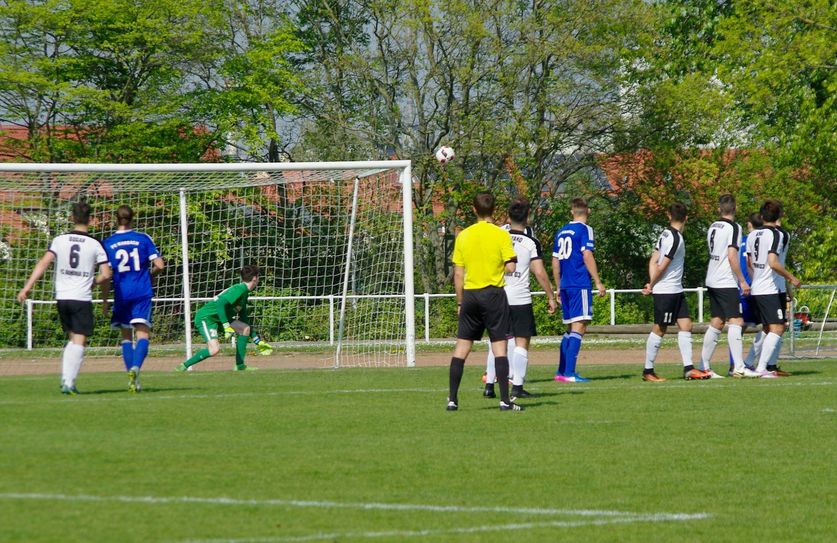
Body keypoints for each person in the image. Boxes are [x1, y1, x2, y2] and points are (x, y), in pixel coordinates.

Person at [17, 202, 112, 395]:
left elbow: (44, 263)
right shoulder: (95, 244)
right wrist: (94, 283)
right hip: (81, 298)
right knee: (80, 340)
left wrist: (27, 287)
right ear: (91, 219)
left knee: (73, 338)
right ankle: (69, 382)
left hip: (62, 297)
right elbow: (107, 274)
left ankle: (66, 380)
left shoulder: (59, 240)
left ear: (72, 218)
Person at [446, 191, 521, 412]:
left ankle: (452, 399)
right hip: (493, 294)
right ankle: (505, 401)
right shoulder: (501, 235)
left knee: (461, 348)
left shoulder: (464, 236)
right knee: (500, 347)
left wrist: (460, 303)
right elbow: (511, 266)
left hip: (470, 295)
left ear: (474, 209)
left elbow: (458, 275)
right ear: (494, 209)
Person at [483, 198, 557, 399]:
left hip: (497, 296)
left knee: (496, 342)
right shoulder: (530, 242)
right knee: (521, 343)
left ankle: (489, 385)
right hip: (520, 299)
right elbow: (540, 272)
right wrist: (551, 296)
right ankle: (517, 386)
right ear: (527, 218)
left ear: (508, 216)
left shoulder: (498, 236)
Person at [641, 202, 710, 382]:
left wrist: (651, 281)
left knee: (686, 325)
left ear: (668, 215)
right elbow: (662, 265)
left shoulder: (664, 234)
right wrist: (652, 284)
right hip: (667, 290)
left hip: (675, 289)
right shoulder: (675, 238)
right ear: (686, 217)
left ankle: (689, 368)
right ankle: (648, 371)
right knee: (660, 328)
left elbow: (653, 260)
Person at [103, 205, 165, 392]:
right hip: (141, 290)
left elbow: (106, 275)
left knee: (126, 336)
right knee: (143, 333)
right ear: (132, 218)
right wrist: (150, 275)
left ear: (116, 218)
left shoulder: (108, 242)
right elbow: (160, 265)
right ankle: (136, 369)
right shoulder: (143, 238)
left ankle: (131, 375)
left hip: (122, 293)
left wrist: (105, 301)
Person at [175, 265, 273, 372]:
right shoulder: (239, 289)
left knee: (245, 328)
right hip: (207, 318)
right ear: (255, 278)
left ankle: (240, 366)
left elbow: (244, 317)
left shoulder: (244, 292)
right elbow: (220, 304)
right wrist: (226, 325)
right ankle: (183, 366)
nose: (259, 279)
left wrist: (257, 341)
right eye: (258, 277)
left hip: (220, 318)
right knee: (214, 350)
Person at [698, 194, 753, 378]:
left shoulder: (713, 226)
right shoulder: (734, 228)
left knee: (717, 321)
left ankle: (704, 365)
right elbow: (731, 256)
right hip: (725, 281)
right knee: (736, 321)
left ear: (719, 208)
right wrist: (742, 280)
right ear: (735, 208)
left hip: (711, 278)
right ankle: (738, 367)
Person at [551, 198, 605, 383]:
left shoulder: (561, 231)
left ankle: (561, 371)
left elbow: (555, 262)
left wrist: (558, 286)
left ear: (571, 211)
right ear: (588, 211)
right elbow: (587, 254)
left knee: (569, 328)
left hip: (565, 284)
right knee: (579, 326)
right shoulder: (585, 230)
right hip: (579, 283)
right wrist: (597, 281)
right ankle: (569, 373)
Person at [746, 200, 801, 378]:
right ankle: (763, 368)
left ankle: (750, 363)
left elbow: (751, 263)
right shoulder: (776, 235)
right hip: (768, 288)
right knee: (777, 328)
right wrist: (791, 278)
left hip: (760, 286)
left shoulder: (753, 235)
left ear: (761, 216)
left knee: (770, 328)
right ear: (779, 217)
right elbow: (773, 263)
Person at [728, 213, 765, 374]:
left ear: (749, 224)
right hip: (758, 288)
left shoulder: (740, 241)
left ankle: (735, 365)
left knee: (738, 327)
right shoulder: (764, 239)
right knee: (770, 326)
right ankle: (748, 362)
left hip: (740, 288)